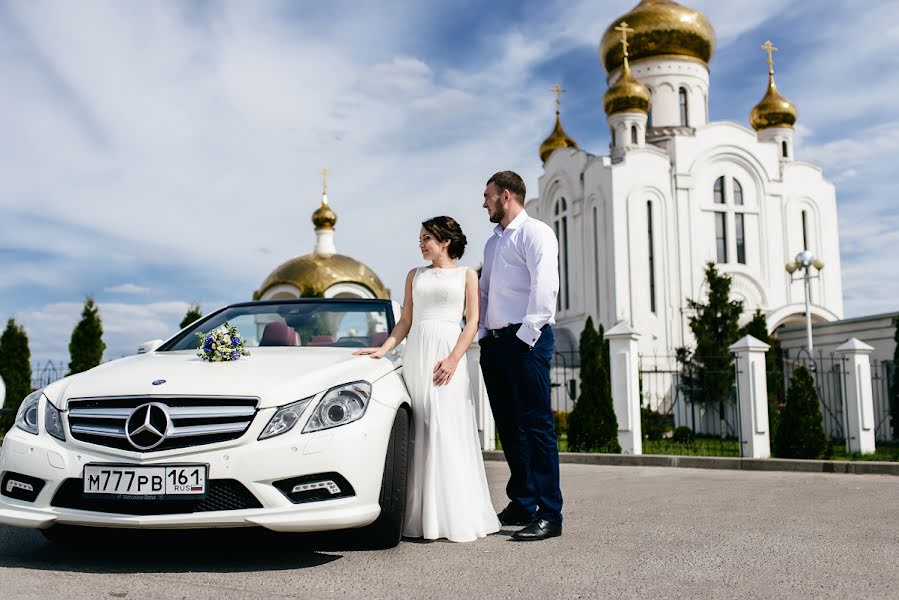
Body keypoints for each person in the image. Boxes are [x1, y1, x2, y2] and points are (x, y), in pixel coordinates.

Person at [354, 216, 500, 543]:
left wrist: (453, 359)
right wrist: (384, 349)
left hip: (447, 353)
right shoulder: (413, 275)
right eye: (420, 238)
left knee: (445, 428)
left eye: (426, 238)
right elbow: (405, 320)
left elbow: (473, 322)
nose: (420, 244)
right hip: (417, 352)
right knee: (418, 428)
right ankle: (420, 516)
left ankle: (451, 515)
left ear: (445, 241)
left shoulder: (466, 275)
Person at [478, 170, 563, 541]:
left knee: (536, 426)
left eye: (488, 196)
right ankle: (523, 501)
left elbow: (545, 287)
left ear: (507, 196)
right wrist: (484, 334)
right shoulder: (492, 243)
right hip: (495, 343)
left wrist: (526, 336)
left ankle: (550, 513)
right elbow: (484, 291)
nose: (484, 203)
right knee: (510, 426)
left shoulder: (536, 233)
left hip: (527, 339)